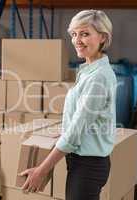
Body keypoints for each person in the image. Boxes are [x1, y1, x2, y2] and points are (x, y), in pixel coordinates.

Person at [19, 10, 117, 200]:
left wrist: (42, 170)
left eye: (85, 34)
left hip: (88, 166)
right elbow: (78, 122)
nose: (77, 40)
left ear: (103, 37)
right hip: (82, 163)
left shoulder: (98, 77)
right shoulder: (88, 71)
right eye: (74, 34)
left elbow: (76, 131)